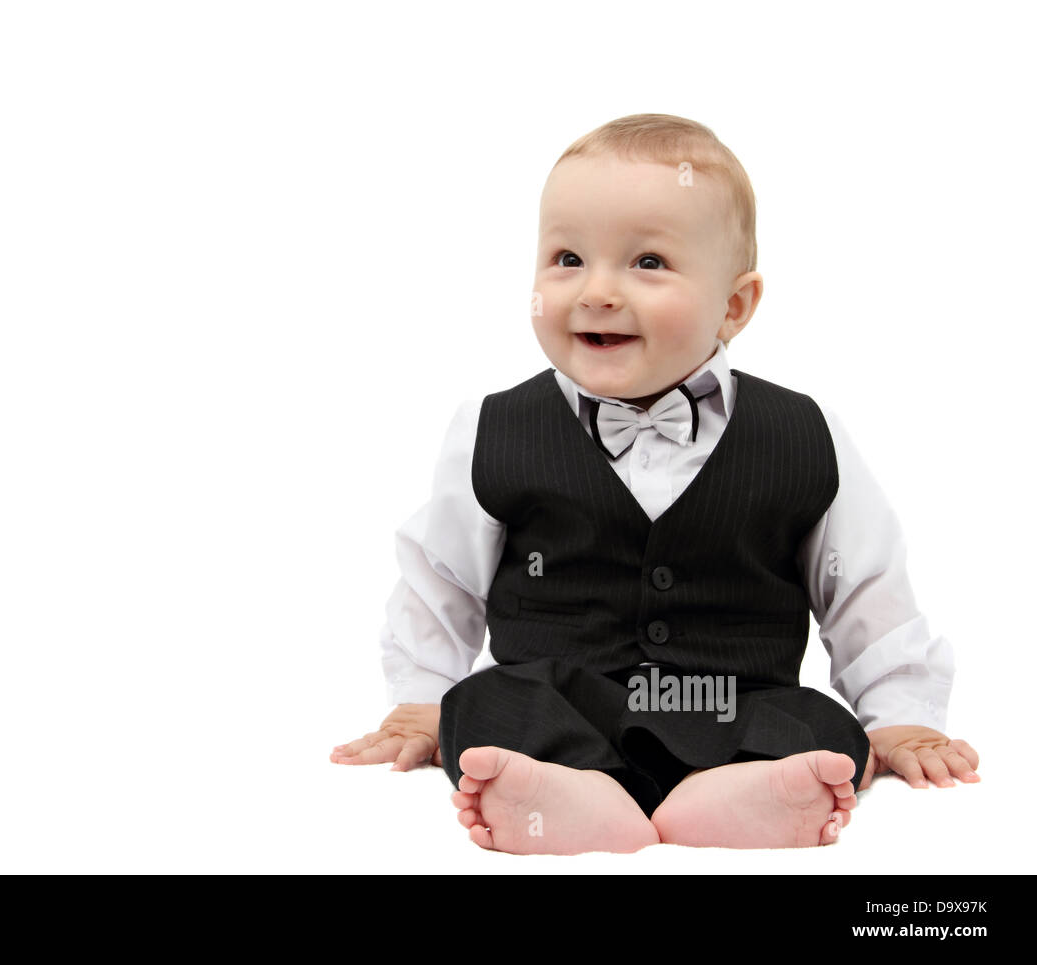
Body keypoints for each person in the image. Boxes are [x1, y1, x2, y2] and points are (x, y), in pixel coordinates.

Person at [330, 114, 979, 853]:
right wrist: (417, 701)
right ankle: (578, 793)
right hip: (564, 700)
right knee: (481, 705)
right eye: (568, 257)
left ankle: (730, 799)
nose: (598, 290)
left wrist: (898, 710)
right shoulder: (494, 425)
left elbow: (865, 586)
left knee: (825, 730)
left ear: (734, 306)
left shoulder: (800, 431)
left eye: (647, 263)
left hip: (736, 701)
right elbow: (439, 579)